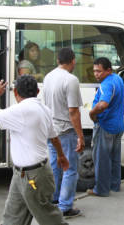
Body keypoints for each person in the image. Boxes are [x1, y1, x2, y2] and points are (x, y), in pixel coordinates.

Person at [0, 75, 69, 225]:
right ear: (37, 91)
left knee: (49, 218)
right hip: (23, 174)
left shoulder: (21, 111)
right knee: (13, 217)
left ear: (15, 92)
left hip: (32, 176)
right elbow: (54, 137)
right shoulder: (44, 109)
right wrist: (61, 156)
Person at [43, 47, 85, 218]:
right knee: (70, 169)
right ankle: (65, 206)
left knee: (55, 165)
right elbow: (73, 111)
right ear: (73, 60)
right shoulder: (71, 79)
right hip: (66, 130)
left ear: (58, 60)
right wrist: (81, 136)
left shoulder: (48, 77)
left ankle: (54, 198)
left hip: (50, 129)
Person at [86, 57, 124, 197]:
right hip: (118, 126)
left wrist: (92, 113)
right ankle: (115, 185)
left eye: (99, 71)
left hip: (106, 126)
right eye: (94, 71)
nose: (96, 74)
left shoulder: (106, 84)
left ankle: (101, 190)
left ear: (108, 70)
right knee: (115, 158)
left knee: (102, 159)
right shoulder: (117, 79)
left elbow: (103, 104)